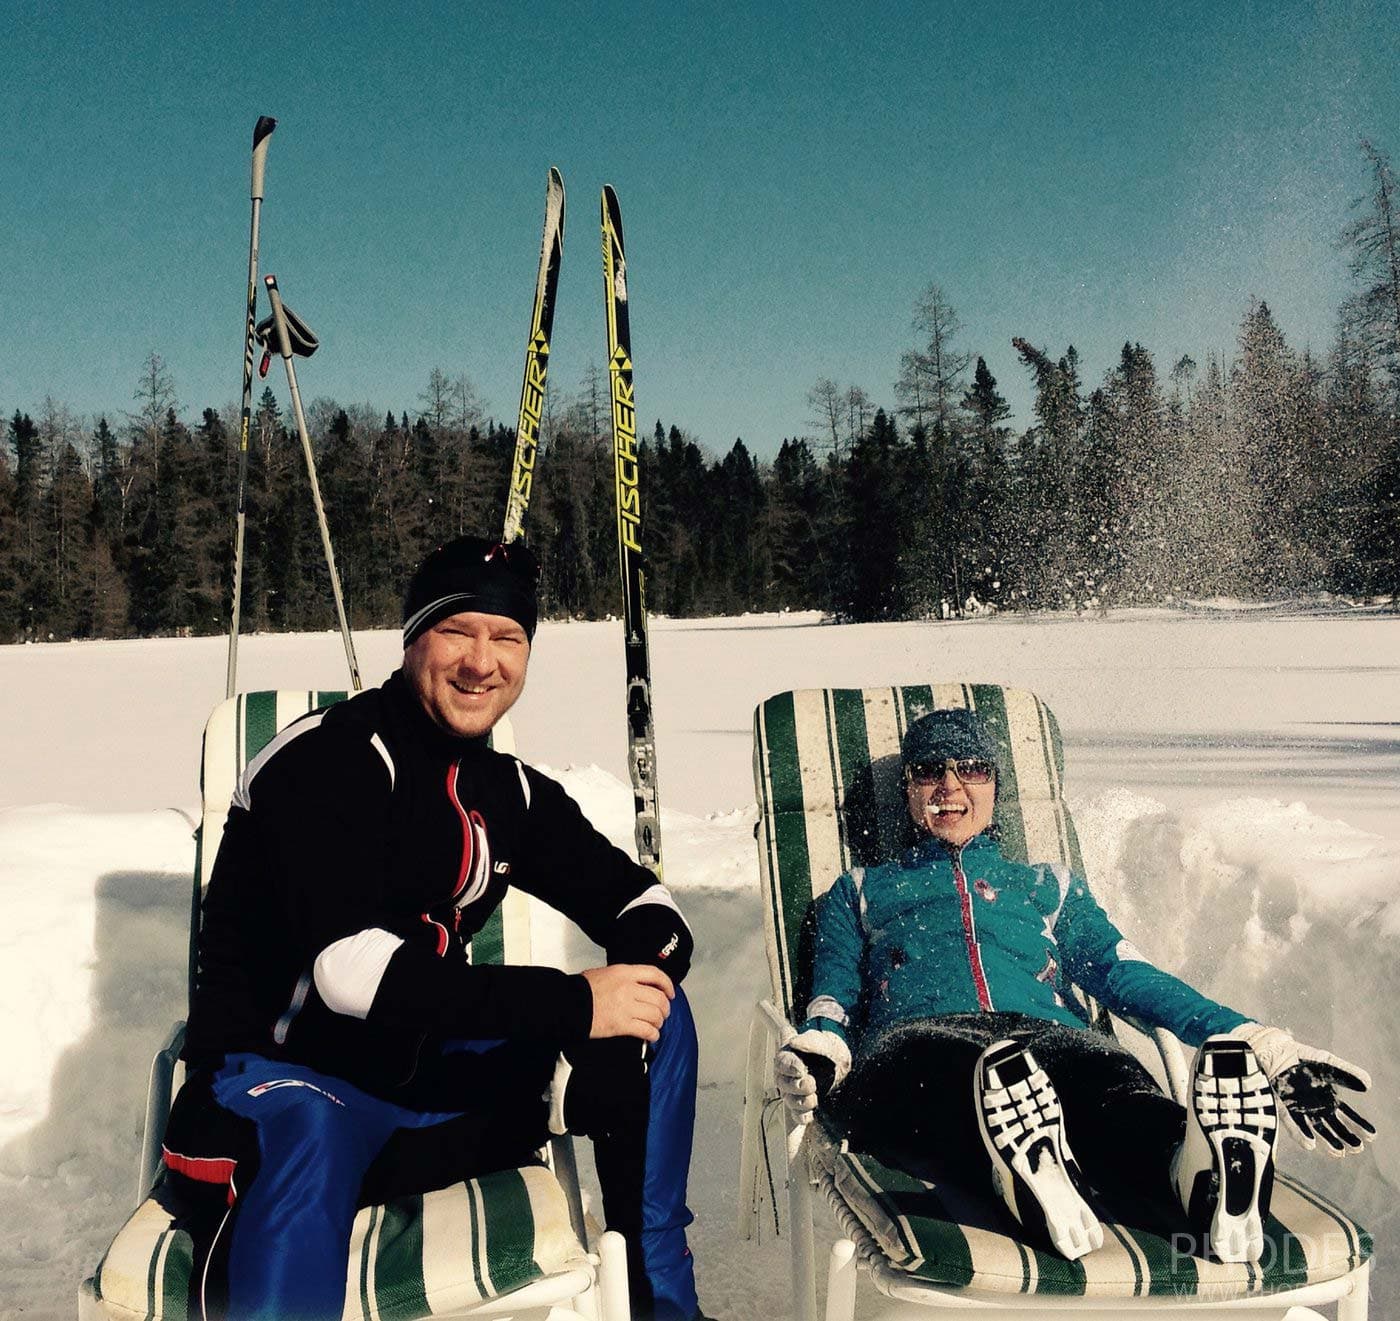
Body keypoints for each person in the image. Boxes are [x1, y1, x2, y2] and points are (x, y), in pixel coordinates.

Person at [163, 536, 702, 1321]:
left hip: (420, 1096)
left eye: (508, 637)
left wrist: (628, 994)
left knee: (656, 1012)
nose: (482, 661)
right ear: (415, 636)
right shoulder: (325, 760)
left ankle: (661, 1306)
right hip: (272, 1090)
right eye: (459, 630)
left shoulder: (509, 790)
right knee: (312, 1125)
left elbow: (648, 907)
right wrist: (571, 1004)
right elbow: (353, 971)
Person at [775, 708, 1376, 1263]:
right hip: (920, 1042)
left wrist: (1253, 1038)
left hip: (1053, 1040)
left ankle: (1190, 1174)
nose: (951, 787)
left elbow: (1125, 973)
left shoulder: (1046, 886)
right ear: (908, 790)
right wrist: (823, 1046)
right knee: (962, 1075)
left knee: (1112, 1089)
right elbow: (833, 992)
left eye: (972, 769)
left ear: (994, 788)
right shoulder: (859, 891)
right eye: (930, 771)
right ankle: (1023, 1169)